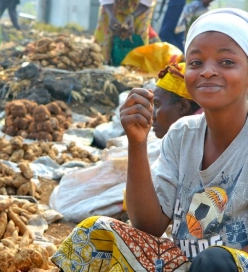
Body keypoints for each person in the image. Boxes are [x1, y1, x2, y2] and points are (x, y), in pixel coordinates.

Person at [52, 8, 248, 272]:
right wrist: (137, 143)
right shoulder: (182, 134)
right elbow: (148, 226)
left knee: (215, 261)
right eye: (196, 62)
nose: (207, 72)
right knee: (96, 232)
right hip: (194, 266)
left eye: (226, 62)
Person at [49, 58, 201, 223]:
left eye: (156, 105)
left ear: (184, 107)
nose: (152, 115)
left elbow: (148, 224)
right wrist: (137, 144)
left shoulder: (197, 153)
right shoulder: (175, 144)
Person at [95, 0, 155, 66]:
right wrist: (111, 15)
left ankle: (135, 66)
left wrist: (132, 16)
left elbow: (146, 2)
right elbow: (106, 1)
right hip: (112, 5)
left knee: (138, 34)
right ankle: (103, 63)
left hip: (139, 6)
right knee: (105, 30)